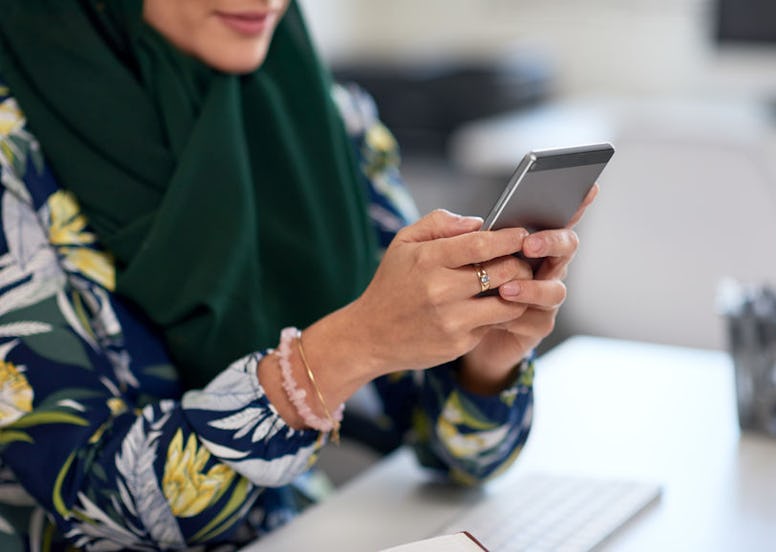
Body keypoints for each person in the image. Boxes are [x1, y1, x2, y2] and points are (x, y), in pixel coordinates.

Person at [0, 1, 592, 550]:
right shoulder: (13, 154)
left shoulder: (327, 114)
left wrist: (484, 355)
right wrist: (346, 350)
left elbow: (460, 459)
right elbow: (98, 508)